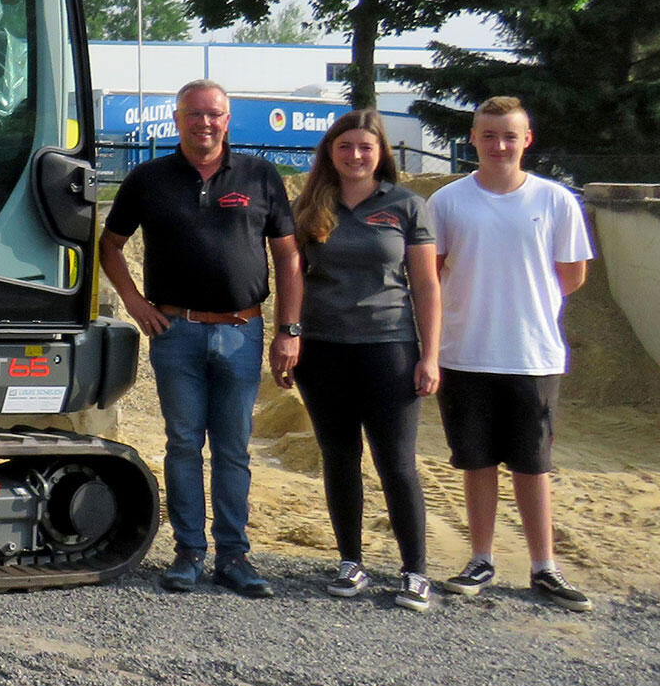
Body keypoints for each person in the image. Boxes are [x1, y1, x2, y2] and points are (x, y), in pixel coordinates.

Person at [97, 79, 303, 598]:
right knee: (184, 444)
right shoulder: (149, 178)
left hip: (242, 331)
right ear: (177, 118)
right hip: (176, 333)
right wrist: (136, 304)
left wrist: (288, 330)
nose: (204, 123)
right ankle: (189, 552)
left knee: (233, 448)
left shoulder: (259, 175)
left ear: (227, 120)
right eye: (194, 114)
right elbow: (111, 245)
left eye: (214, 115)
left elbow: (288, 256)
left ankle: (234, 556)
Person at [427, 96, 596, 611]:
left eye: (509, 136)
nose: (499, 145)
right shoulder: (448, 202)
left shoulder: (556, 201)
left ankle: (544, 567)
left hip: (533, 356)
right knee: (476, 461)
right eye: (488, 135)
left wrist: (522, 307)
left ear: (527, 140)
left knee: (532, 464)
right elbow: (429, 274)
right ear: (473, 140)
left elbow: (572, 275)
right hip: (465, 355)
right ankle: (481, 558)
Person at [286, 112, 441, 611]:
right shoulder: (308, 208)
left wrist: (431, 355)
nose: (355, 156)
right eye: (345, 146)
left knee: (396, 462)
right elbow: (293, 278)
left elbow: (426, 286)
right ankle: (350, 561)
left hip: (389, 348)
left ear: (381, 154)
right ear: (330, 152)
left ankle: (415, 570)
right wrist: (286, 336)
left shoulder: (406, 206)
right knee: (339, 458)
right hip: (322, 350)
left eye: (365, 148)